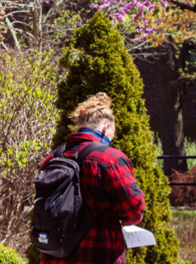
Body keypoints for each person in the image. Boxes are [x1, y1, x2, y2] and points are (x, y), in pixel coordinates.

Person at [43, 93, 146, 264]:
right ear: (105, 128)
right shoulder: (111, 159)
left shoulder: (53, 158)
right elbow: (133, 210)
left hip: (55, 256)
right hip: (98, 254)